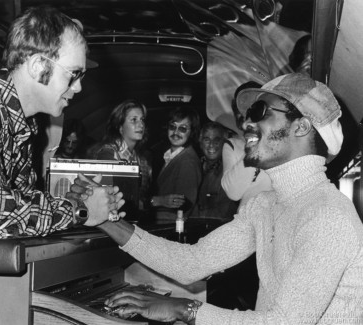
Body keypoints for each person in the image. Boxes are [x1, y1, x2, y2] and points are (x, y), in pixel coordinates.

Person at [71, 73, 363, 324]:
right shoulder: (264, 206)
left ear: (301, 126)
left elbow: (282, 322)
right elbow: (190, 263)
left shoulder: (328, 215)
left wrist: (184, 309)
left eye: (260, 111)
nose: (246, 122)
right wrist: (106, 219)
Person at [0, 6, 124, 238]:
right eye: (73, 74)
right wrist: (80, 211)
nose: (79, 87)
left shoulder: (22, 122)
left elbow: (22, 201)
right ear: (38, 66)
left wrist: (71, 201)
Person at [94, 99, 152, 214]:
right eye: (134, 120)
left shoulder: (141, 159)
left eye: (142, 120)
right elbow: (107, 196)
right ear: (120, 127)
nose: (141, 125)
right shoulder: (108, 153)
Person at [222, 81, 272, 209]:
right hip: (247, 221)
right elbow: (233, 192)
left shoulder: (279, 140)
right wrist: (253, 145)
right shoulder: (233, 145)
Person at [149, 107, 202, 224]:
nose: (176, 132)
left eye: (183, 129)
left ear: (192, 132)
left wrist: (154, 202)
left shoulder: (188, 161)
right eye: (173, 127)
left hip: (171, 229)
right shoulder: (171, 155)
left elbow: (182, 207)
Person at [191, 121, 237, 225]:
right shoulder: (194, 165)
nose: (211, 145)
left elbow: (222, 214)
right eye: (207, 140)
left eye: (217, 140)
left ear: (224, 142)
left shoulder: (229, 172)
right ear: (200, 141)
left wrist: (189, 216)